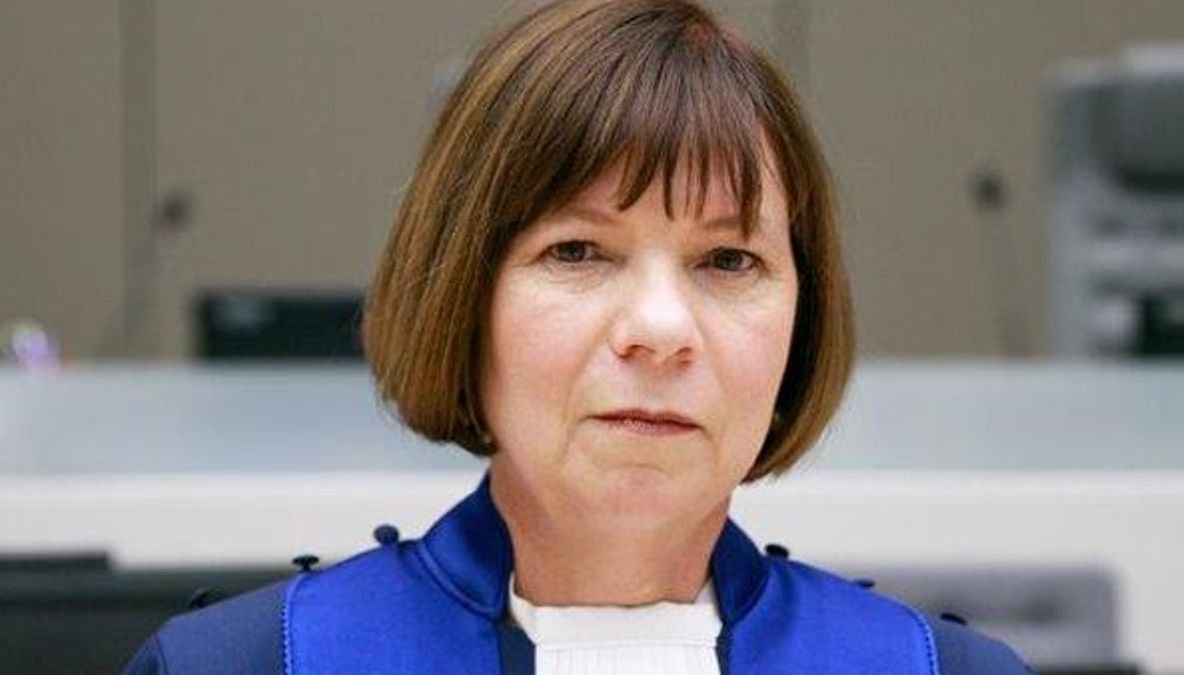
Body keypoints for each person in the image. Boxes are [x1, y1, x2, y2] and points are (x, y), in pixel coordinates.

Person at [125, 0, 1030, 673]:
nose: (661, 330)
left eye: (728, 260)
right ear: (464, 297)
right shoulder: (245, 665)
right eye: (578, 251)